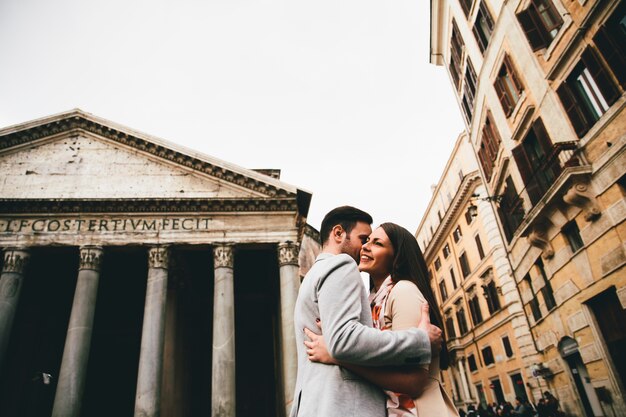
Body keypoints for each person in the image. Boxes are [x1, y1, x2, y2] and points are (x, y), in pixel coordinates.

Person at [290, 207, 443, 417]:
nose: (364, 248)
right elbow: (344, 340)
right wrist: (421, 340)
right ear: (337, 233)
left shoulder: (403, 291)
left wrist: (336, 351)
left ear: (396, 255)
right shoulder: (342, 266)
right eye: (364, 239)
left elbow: (414, 380)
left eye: (375, 242)